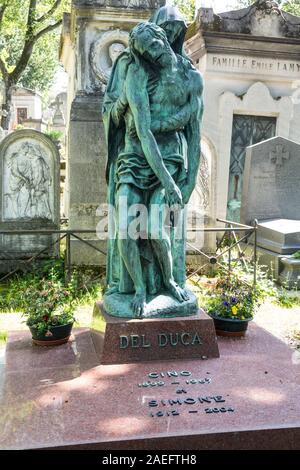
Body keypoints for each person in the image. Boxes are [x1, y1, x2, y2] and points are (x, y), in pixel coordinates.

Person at [103, 21, 203, 317]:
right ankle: (139, 290)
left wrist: (187, 183)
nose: (153, 54)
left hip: (170, 161)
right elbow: (144, 133)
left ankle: (170, 282)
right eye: (146, 51)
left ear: (162, 37)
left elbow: (194, 135)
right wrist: (170, 183)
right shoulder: (137, 73)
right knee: (126, 228)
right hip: (135, 158)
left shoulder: (192, 78)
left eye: (155, 45)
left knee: (157, 227)